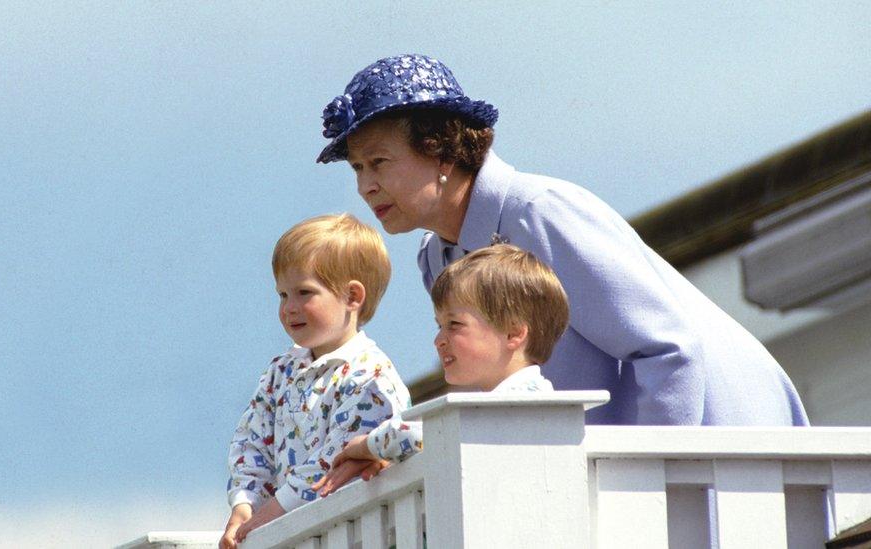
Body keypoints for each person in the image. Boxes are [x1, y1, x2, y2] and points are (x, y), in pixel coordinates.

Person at [316, 53, 809, 427]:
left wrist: (642, 490)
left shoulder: (539, 211)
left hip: (729, 450)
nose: (365, 186)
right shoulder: (437, 256)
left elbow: (668, 349)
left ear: (441, 151)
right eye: (358, 167)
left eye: (378, 162)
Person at [313, 244, 568, 496]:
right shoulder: (504, 404)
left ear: (513, 333)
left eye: (454, 324)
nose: (439, 340)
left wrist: (366, 446)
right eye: (439, 326)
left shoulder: (524, 400)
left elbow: (424, 434)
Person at [221, 214, 411, 548]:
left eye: (304, 293)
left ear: (353, 296)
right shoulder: (281, 371)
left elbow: (334, 458)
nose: (289, 308)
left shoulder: (372, 377)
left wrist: (271, 515)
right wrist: (244, 504)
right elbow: (251, 441)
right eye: (282, 295)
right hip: (293, 536)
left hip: (353, 535)